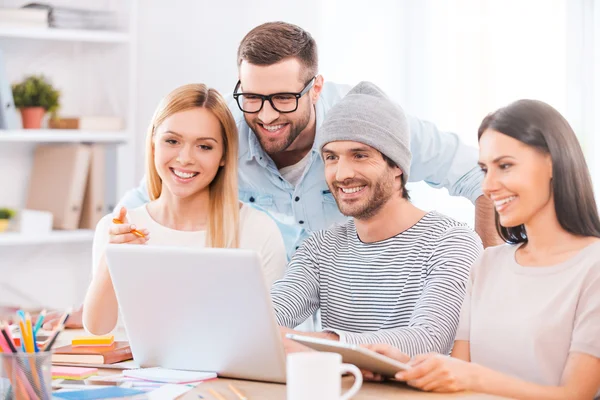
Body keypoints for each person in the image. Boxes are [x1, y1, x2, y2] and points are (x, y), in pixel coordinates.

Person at [45, 21, 498, 330]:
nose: (265, 117)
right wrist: (94, 299)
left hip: (364, 328)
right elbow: (154, 198)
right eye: (252, 97)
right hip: (291, 330)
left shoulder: (367, 125)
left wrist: (489, 288)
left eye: (283, 98)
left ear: (316, 87)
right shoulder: (222, 130)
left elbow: (481, 180)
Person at [362, 100, 600, 399]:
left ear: (552, 162)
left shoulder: (593, 266)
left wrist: (473, 377)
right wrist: (405, 366)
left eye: (505, 166)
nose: (488, 186)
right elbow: (460, 371)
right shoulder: (488, 264)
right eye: (485, 169)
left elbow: (575, 394)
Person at [271, 81, 482, 355]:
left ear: (396, 165)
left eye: (360, 155)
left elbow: (429, 340)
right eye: (331, 157)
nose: (341, 173)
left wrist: (318, 342)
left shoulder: (452, 243)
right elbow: (268, 319)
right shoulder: (320, 248)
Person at [82, 84, 286, 335]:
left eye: (204, 146)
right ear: (154, 144)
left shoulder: (257, 231)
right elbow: (98, 329)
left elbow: (273, 337)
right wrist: (110, 259)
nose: (185, 158)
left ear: (223, 156)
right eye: (172, 141)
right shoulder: (118, 230)